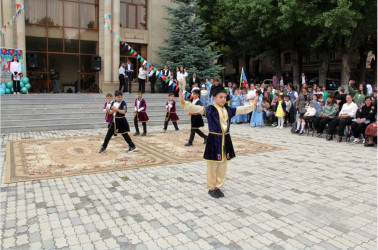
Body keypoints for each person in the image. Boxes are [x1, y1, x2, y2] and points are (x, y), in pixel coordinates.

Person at [179, 88, 258, 199]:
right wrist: (184, 102)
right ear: (214, 98)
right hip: (213, 140)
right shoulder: (210, 109)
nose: (223, 99)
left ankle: (218, 186)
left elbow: (240, 109)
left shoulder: (228, 109)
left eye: (225, 97)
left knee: (223, 164)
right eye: (220, 97)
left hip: (225, 139)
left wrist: (252, 105)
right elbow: (197, 108)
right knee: (212, 164)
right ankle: (211, 187)